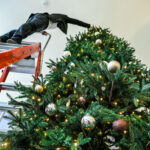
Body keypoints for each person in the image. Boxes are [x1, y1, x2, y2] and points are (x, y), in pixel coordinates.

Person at [0, 13, 91, 44]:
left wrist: (40, 32)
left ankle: (3, 38)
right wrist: (88, 26)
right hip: (43, 18)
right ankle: (15, 39)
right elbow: (75, 21)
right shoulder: (63, 18)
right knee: (31, 26)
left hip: (42, 23)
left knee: (24, 30)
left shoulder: (50, 24)